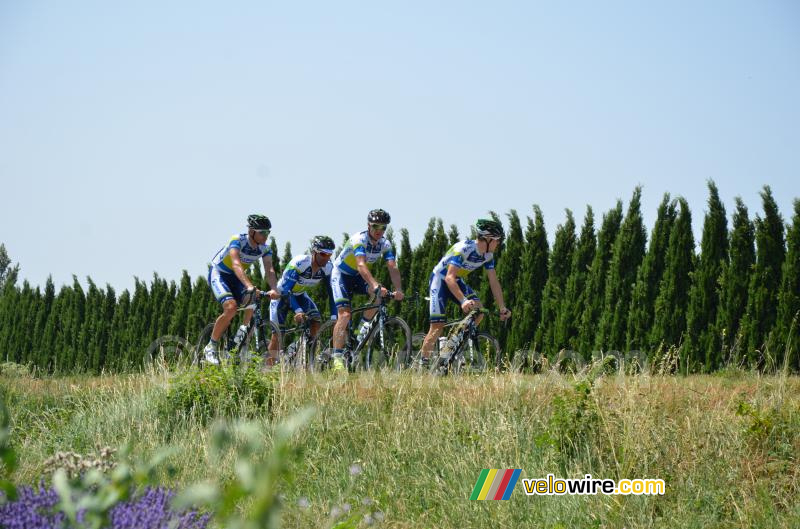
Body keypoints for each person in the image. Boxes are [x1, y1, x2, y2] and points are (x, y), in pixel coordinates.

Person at [418, 218, 511, 367]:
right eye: (497, 240)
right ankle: (421, 365)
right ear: (487, 239)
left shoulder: (488, 256)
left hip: (457, 280)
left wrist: (502, 307)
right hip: (440, 280)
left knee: (479, 310)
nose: (499, 244)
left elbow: (494, 282)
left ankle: (452, 345)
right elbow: (449, 277)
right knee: (437, 326)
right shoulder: (463, 248)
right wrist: (463, 301)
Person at [330, 209, 404, 370]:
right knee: (345, 314)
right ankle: (336, 357)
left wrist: (398, 289)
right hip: (341, 274)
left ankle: (361, 330)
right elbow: (361, 264)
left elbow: (392, 267)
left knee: (379, 295)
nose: (379, 231)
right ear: (368, 225)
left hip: (357, 276)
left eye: (383, 228)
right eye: (376, 226)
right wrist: (374, 285)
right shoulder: (359, 239)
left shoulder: (385, 244)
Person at [204, 214, 279, 364]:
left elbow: (269, 269)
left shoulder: (264, 249)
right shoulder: (237, 240)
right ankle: (211, 346)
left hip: (236, 279)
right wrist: (250, 286)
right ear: (252, 231)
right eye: (262, 232)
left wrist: (274, 288)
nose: (266, 236)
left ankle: (240, 340)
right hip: (220, 274)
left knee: (253, 300)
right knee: (231, 307)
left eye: (268, 232)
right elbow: (236, 265)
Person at [267, 235, 336, 365]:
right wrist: (297, 310)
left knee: (316, 322)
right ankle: (267, 370)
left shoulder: (328, 268)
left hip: (300, 295)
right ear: (314, 252)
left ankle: (308, 359)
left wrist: (334, 316)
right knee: (277, 335)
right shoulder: (300, 263)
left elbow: (332, 292)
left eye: (329, 254)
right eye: (323, 254)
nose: (326, 258)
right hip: (282, 297)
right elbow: (287, 290)